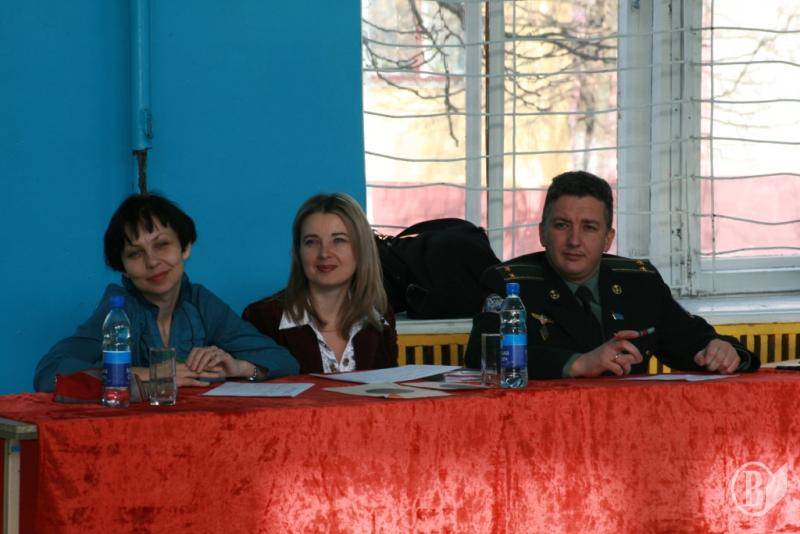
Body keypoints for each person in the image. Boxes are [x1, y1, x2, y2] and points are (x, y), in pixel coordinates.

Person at [466, 171, 758, 378]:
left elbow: (690, 340)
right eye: (562, 225)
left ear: (608, 239)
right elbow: (481, 354)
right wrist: (578, 364)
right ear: (542, 233)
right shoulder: (510, 284)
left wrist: (721, 350)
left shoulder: (639, 283)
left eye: (589, 228)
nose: (574, 241)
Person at [34, 193, 299, 392]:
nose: (152, 262)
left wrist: (237, 367)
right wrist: (149, 375)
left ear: (185, 247)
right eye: (135, 254)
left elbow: (284, 361)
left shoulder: (200, 301)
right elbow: (49, 374)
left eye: (161, 245)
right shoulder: (119, 308)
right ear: (122, 267)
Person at [243, 193, 398, 374]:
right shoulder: (262, 319)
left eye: (338, 240)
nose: (324, 253)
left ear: (362, 248)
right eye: (311, 242)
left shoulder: (380, 317)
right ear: (298, 251)